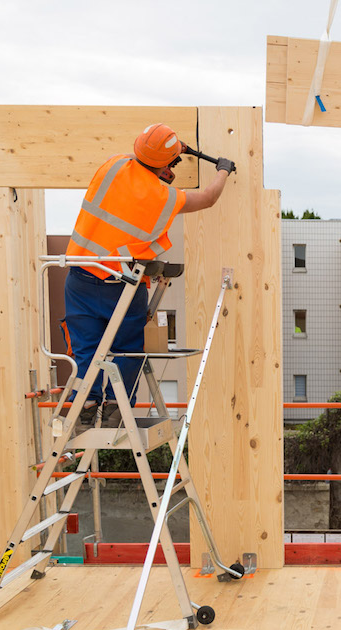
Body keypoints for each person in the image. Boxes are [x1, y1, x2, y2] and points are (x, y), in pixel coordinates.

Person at [64, 123, 234, 431]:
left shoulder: (112, 166)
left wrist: (165, 150)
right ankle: (117, 408)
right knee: (127, 349)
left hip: (80, 278)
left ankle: (85, 407)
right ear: (166, 165)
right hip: (123, 287)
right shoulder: (165, 197)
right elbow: (208, 197)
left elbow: (139, 158)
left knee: (85, 347)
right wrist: (223, 170)